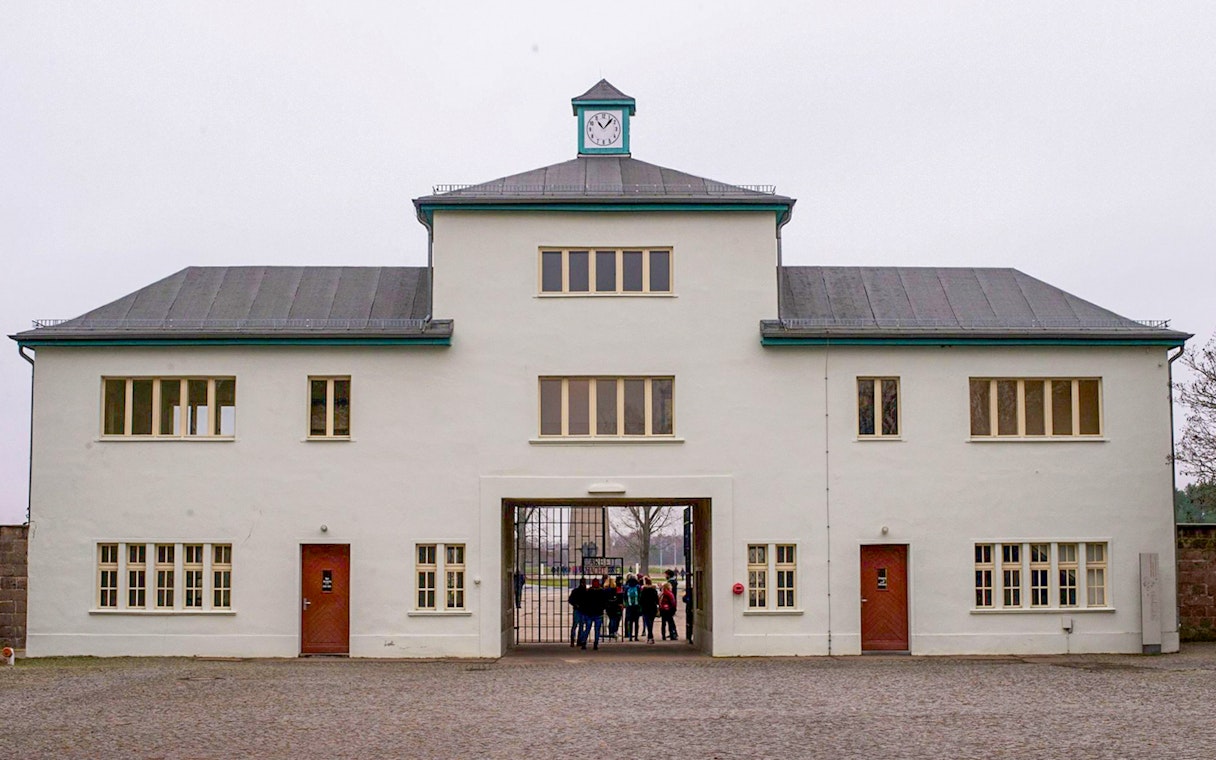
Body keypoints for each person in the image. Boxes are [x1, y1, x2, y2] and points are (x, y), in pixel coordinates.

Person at [577, 578, 607, 650]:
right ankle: (595, 644)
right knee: (595, 630)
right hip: (596, 613)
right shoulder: (601, 592)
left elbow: (584, 602)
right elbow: (604, 602)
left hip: (590, 613)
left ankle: (585, 642)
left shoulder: (589, 591)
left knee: (588, 629)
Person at [639, 576, 660, 644]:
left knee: (648, 622)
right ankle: (650, 637)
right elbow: (657, 600)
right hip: (652, 608)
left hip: (645, 608)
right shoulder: (654, 590)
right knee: (651, 622)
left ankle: (650, 637)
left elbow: (641, 600)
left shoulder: (643, 591)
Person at [568, 578, 586, 648]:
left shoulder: (576, 591)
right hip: (579, 610)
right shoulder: (581, 591)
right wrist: (576, 605)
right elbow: (570, 600)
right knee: (578, 626)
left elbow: (570, 600)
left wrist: (575, 605)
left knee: (577, 626)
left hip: (579, 610)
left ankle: (576, 640)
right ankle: (577, 640)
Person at [623, 574, 641, 641]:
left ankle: (630, 636)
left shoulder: (627, 588)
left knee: (629, 622)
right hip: (636, 607)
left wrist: (626, 604)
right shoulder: (638, 587)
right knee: (636, 622)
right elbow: (640, 596)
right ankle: (636, 637)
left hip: (629, 607)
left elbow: (624, 597)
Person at [664, 569, 679, 640]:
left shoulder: (671, 583)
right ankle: (673, 632)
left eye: (666, 574)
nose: (665, 576)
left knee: (669, 619)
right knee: (670, 619)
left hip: (669, 604)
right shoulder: (674, 582)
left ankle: (673, 633)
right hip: (672, 603)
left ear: (668, 575)